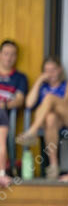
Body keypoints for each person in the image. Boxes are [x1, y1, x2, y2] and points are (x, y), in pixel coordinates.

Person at [16, 56, 68, 179]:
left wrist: (50, 103)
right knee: (50, 118)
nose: (51, 73)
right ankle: (54, 165)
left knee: (49, 98)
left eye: (53, 70)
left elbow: (67, 101)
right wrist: (39, 81)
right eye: (47, 71)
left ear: (60, 70)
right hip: (52, 122)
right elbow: (29, 104)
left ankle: (32, 131)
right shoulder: (42, 87)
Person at [0, 40, 27, 187]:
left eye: (12, 54)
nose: (9, 57)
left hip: (3, 113)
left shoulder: (20, 78)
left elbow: (19, 100)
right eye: (6, 54)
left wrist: (3, 105)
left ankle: (1, 174)